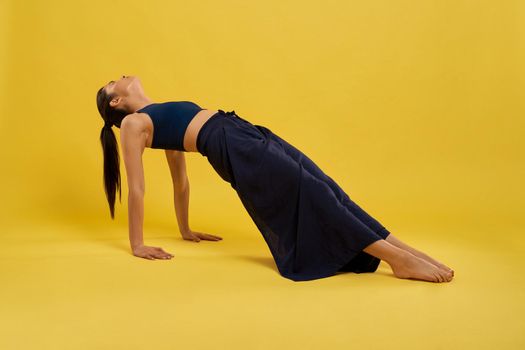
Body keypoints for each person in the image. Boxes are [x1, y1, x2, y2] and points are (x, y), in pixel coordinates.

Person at [95, 75, 454, 283]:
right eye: (116, 81)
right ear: (115, 102)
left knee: (325, 186)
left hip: (241, 131)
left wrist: (185, 229)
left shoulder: (156, 116)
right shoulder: (132, 124)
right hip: (232, 146)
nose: (124, 75)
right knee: (314, 195)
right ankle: (396, 260)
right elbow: (138, 187)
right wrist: (137, 244)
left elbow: (181, 182)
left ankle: (404, 249)